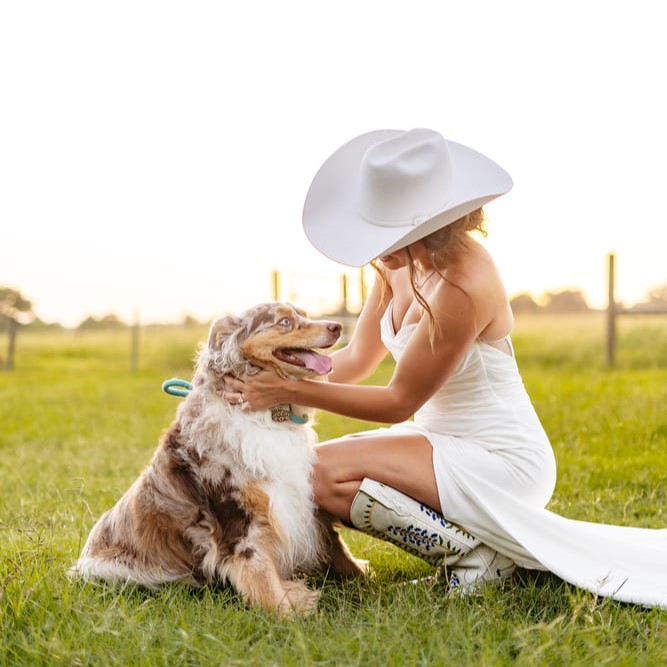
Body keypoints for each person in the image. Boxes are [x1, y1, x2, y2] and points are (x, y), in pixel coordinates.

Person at [224, 128, 667, 606]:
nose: (375, 247)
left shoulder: (464, 285)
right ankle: (477, 553)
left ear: (430, 226)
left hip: (500, 456)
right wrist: (270, 377)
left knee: (321, 475)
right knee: (313, 470)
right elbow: (354, 361)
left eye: (387, 232)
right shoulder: (394, 266)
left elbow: (398, 402)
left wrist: (288, 394)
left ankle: (474, 560)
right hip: (440, 441)